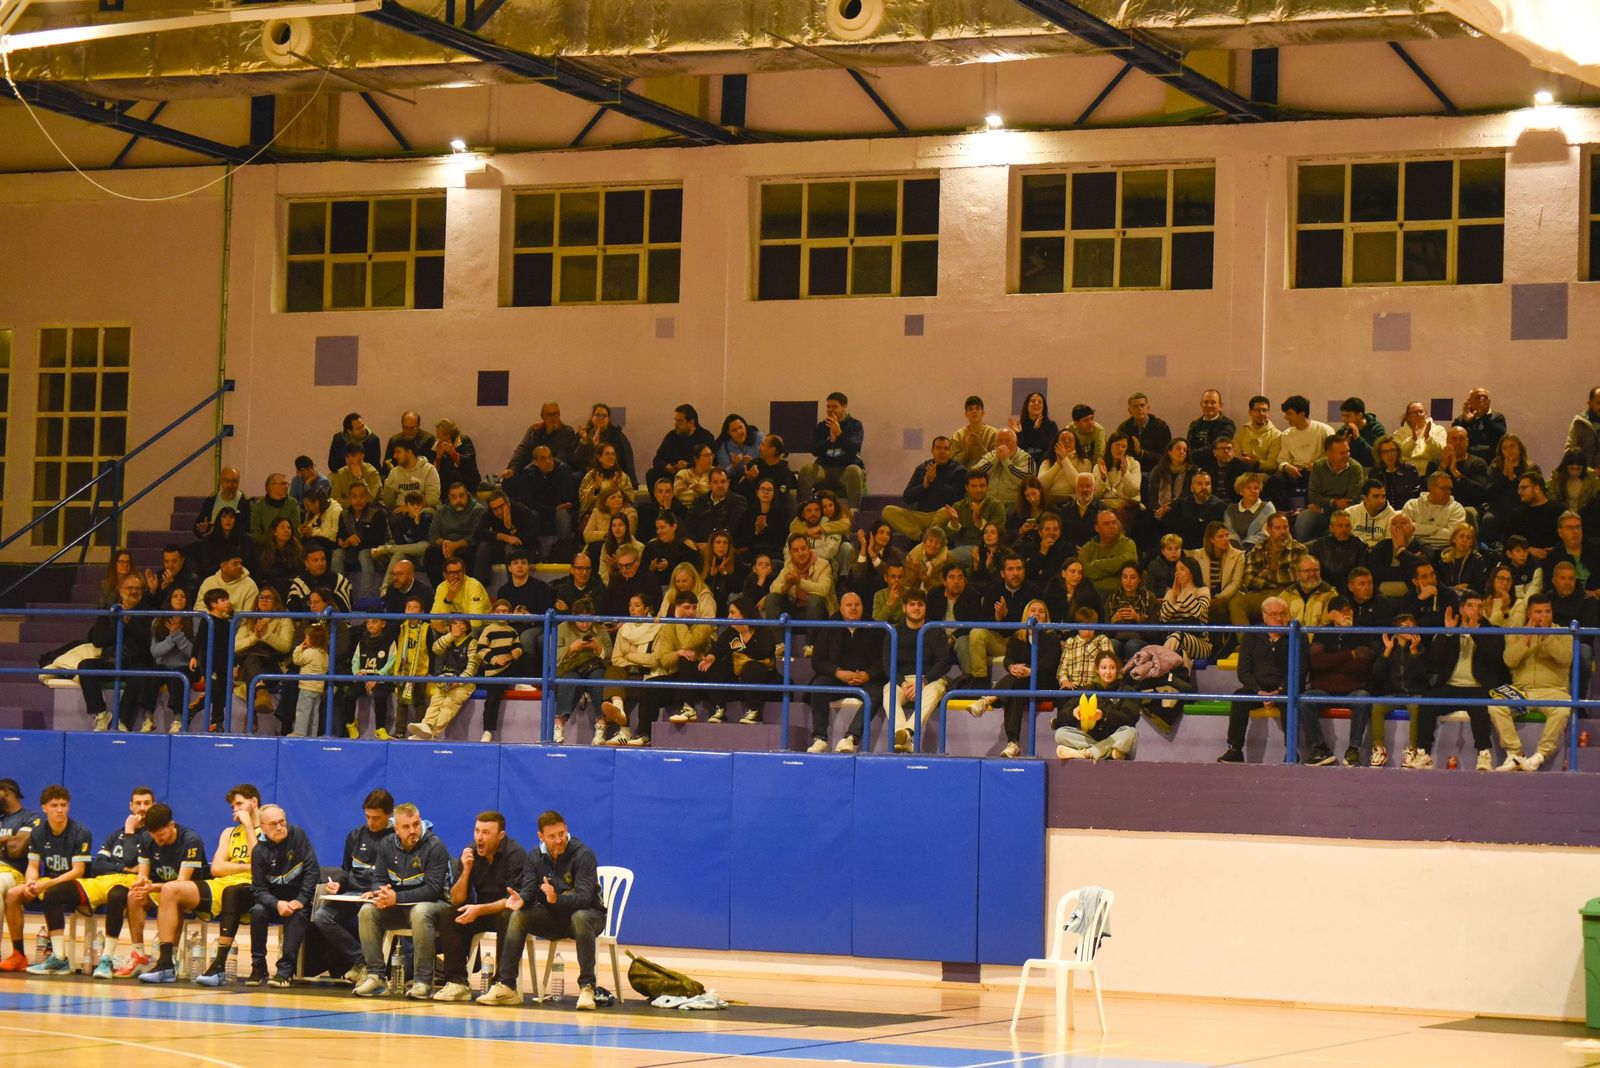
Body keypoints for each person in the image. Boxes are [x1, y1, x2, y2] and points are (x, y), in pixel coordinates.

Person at [484, 811, 606, 1010]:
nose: (558, 840)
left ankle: (587, 987)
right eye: (552, 836)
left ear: (566, 828)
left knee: (580, 917)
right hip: (555, 918)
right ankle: (507, 986)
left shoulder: (584, 855)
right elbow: (530, 889)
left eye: (561, 833)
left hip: (590, 916)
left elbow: (584, 898)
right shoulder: (534, 857)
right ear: (541, 837)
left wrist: (556, 899)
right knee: (516, 916)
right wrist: (521, 899)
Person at [141, 784, 259, 986]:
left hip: (248, 888)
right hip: (220, 884)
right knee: (170, 889)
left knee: (232, 892)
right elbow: (216, 869)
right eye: (233, 807)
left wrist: (249, 826)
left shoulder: (267, 830)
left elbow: (259, 866)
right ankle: (166, 963)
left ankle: (219, 967)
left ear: (254, 802)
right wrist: (244, 866)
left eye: (239, 804)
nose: (235, 810)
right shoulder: (229, 833)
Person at [345, 802, 452, 998]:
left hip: (437, 908)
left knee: (420, 912)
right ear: (396, 829)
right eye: (406, 826)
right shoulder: (386, 844)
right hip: (400, 907)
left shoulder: (435, 846)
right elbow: (378, 879)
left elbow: (433, 890)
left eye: (416, 824)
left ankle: (423, 981)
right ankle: (376, 977)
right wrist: (380, 892)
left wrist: (396, 898)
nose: (413, 830)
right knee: (367, 911)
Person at [430, 812, 528, 1002]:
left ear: (501, 836)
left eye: (486, 833)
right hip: (483, 911)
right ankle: (457, 982)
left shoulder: (516, 854)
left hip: (509, 911)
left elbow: (512, 901)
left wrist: (479, 910)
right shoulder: (471, 852)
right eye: (477, 831)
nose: (479, 837)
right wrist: (466, 870)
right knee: (449, 914)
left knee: (508, 916)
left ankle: (504, 985)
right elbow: (456, 899)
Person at [308, 788, 394, 985]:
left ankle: (370, 967)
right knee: (322, 916)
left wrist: (376, 892)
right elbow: (347, 870)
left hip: (377, 896)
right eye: (367, 817)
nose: (371, 823)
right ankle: (361, 960)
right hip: (353, 894)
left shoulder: (395, 838)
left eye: (376, 818)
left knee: (367, 912)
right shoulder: (355, 835)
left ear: (389, 815)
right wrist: (339, 883)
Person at [116, 802, 210, 980]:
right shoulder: (146, 839)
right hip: (161, 889)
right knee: (133, 896)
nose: (157, 839)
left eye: (161, 834)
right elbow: (143, 875)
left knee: (172, 895)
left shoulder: (191, 840)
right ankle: (139, 955)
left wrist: (152, 887)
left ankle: (170, 959)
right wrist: (142, 885)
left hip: (191, 892)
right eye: (153, 835)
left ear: (171, 825)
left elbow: (181, 883)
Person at [3, 785, 89, 975]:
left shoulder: (80, 832)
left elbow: (78, 871)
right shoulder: (38, 832)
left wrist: (46, 883)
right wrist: (31, 882)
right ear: (44, 808)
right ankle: (18, 953)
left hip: (73, 884)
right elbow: (33, 866)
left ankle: (59, 958)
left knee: (52, 893)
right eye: (54, 805)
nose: (60, 810)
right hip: (47, 881)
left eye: (64, 805)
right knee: (13, 893)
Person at [1416, 594, 1502, 773]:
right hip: (1451, 687)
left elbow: (1494, 655)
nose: (1475, 610)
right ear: (1462, 609)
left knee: (1480, 708)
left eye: (1479, 606)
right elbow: (1434, 661)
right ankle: (1423, 752)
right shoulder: (1450, 631)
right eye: (1471, 605)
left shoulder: (1493, 630)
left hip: (1478, 687)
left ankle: (1484, 754)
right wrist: (1448, 633)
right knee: (1427, 702)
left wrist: (1476, 633)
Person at [1489, 595, 1574, 772]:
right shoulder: (1517, 632)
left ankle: (1541, 754)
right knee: (1495, 705)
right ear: (1529, 613)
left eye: (1547, 611)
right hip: (1522, 691)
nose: (1543, 616)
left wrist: (1547, 637)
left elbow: (1565, 658)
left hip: (1553, 690)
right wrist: (1526, 639)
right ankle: (1515, 753)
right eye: (1538, 612)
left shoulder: (1564, 632)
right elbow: (1510, 661)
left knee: (1563, 708)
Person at [1218, 597, 1307, 764]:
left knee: (1291, 701)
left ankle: (1292, 753)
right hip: (1257, 689)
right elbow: (1243, 671)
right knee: (1239, 698)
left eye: (1283, 614)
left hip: (1286, 688)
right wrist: (1258, 690)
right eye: (1274, 614)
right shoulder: (1252, 636)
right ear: (1264, 616)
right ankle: (1234, 750)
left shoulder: (1297, 636)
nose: (1279, 619)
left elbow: (1300, 670)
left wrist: (1279, 691)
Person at [79, 785, 154, 978]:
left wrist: (130, 831)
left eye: (147, 803)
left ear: (153, 806)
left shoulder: (152, 835)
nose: (142, 808)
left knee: (117, 893)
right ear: (131, 806)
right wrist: (124, 867)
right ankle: (56, 955)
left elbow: (130, 860)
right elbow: (98, 865)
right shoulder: (115, 835)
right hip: (108, 880)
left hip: (135, 884)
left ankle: (107, 957)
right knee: (60, 892)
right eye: (138, 803)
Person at [247, 804, 319, 987]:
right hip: (274, 903)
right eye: (273, 824)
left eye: (282, 822)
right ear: (262, 827)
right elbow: (258, 889)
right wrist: (276, 903)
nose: (280, 827)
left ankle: (285, 972)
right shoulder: (258, 851)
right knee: (257, 911)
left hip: (298, 901)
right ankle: (258, 966)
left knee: (298, 915)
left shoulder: (298, 835)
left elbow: (313, 871)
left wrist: (301, 900)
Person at [76, 574, 156, 732]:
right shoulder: (109, 611)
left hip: (135, 662)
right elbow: (97, 640)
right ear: (120, 590)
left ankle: (122, 721)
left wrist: (130, 622)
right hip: (110, 661)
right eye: (129, 588)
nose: (133, 591)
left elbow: (149, 641)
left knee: (140, 674)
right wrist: (120, 625)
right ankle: (101, 713)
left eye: (138, 588)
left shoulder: (150, 612)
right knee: (85, 666)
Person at [807, 592, 883, 754]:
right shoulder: (829, 627)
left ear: (863, 607)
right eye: (849, 605)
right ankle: (820, 738)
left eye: (857, 604)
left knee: (877, 693)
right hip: (838, 678)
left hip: (866, 679)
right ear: (841, 609)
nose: (854, 608)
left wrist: (868, 675)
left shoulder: (875, 628)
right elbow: (818, 661)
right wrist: (838, 672)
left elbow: (883, 660)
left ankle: (851, 738)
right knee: (819, 685)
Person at [1303, 598, 1374, 768]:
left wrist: (1331, 662)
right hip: (1324, 690)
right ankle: (1319, 748)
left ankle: (1353, 750)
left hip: (1352, 689)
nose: (1348, 614)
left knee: (1363, 698)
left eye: (1350, 610)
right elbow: (1317, 662)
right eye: (1343, 611)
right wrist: (1350, 654)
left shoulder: (1361, 632)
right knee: (1306, 700)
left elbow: (1363, 664)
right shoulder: (1322, 633)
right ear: (1332, 614)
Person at [882, 590, 949, 754]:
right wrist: (902, 683)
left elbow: (943, 662)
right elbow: (887, 663)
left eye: (920, 604)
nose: (916, 608)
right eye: (912, 604)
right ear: (904, 608)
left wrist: (923, 682)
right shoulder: (894, 632)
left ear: (925, 608)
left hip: (930, 679)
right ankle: (902, 734)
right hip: (902, 681)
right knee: (889, 693)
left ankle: (907, 733)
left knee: (935, 691)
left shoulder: (935, 630)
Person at [1054, 652, 1139, 762]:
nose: (1108, 672)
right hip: (1098, 741)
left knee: (1130, 733)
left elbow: (1130, 718)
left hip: (1116, 738)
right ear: (1097, 669)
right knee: (1060, 733)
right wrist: (1073, 712)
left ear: (1117, 669)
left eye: (1112, 668)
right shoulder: (1087, 689)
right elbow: (1062, 715)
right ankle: (1108, 753)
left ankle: (1087, 753)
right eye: (1104, 668)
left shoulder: (1127, 690)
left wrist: (1104, 715)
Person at [406, 617, 479, 740]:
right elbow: (436, 649)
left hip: (465, 683)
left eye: (460, 623)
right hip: (445, 680)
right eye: (454, 623)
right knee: (435, 702)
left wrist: (459, 682)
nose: (457, 625)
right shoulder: (448, 640)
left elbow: (472, 668)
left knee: (448, 704)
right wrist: (451, 635)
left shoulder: (472, 643)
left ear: (466, 626)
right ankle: (426, 726)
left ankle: (431, 734)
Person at [882, 436, 966, 540]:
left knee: (946, 512)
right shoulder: (923, 468)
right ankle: (921, 537)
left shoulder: (958, 470)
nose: (942, 451)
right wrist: (925, 485)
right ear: (932, 450)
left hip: (940, 517)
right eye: (938, 448)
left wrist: (935, 481)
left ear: (950, 451)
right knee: (888, 511)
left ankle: (928, 538)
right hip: (920, 516)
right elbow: (907, 498)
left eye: (946, 448)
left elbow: (957, 498)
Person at [553, 598, 611, 746]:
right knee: (569, 681)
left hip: (594, 668)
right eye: (580, 620)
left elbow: (611, 658)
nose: (585, 624)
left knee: (599, 679)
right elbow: (552, 656)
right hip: (570, 668)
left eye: (588, 620)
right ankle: (559, 723)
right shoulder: (562, 628)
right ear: (573, 616)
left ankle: (601, 724)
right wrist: (572, 648)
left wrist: (598, 648)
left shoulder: (601, 631)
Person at [799, 392, 866, 510]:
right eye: (828, 406)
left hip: (846, 469)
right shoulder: (821, 426)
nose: (830, 410)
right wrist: (830, 441)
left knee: (854, 470)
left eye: (834, 407)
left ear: (844, 406)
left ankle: (854, 511)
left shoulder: (855, 425)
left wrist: (839, 434)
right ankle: (804, 509)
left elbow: (853, 450)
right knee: (807, 469)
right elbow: (814, 450)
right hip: (825, 468)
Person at [1296, 434, 1363, 541]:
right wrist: (1335, 502)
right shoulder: (1318, 466)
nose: (1347, 455)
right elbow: (1313, 496)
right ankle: (1301, 553)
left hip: (1344, 513)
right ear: (1329, 453)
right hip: (1322, 511)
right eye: (1342, 453)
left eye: (1348, 451)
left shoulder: (1355, 468)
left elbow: (1351, 501)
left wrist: (1323, 509)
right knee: (1303, 520)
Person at [424, 482, 487, 585]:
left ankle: (468, 590)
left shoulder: (478, 510)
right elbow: (432, 534)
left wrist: (455, 545)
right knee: (431, 552)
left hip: (467, 547)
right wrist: (445, 543)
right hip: (446, 548)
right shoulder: (441, 511)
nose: (458, 500)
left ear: (467, 494)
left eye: (461, 496)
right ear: (449, 497)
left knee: (475, 550)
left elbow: (477, 535)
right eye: (454, 497)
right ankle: (439, 589)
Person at [1275, 395, 1333, 505]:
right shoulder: (1286, 434)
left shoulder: (1324, 430)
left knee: (1312, 480)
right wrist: (1286, 466)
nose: (1285, 417)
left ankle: (1309, 511)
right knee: (1276, 480)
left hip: (1315, 470)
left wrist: (1317, 465)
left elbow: (1332, 455)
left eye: (1289, 413)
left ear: (1301, 414)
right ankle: (1283, 512)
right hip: (1295, 470)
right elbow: (1282, 459)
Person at [336, 482, 388, 600]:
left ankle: (367, 597)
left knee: (364, 553)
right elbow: (340, 535)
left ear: (367, 497)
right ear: (349, 498)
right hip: (352, 553)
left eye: (361, 496)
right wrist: (343, 541)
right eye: (354, 496)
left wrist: (351, 542)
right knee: (337, 554)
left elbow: (376, 541)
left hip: (375, 554)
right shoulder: (344, 514)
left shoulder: (377, 514)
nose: (358, 500)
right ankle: (338, 595)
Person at [646, 403, 716, 490]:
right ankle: (661, 503)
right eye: (675, 420)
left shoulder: (705, 437)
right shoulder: (672, 436)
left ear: (691, 422)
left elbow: (711, 461)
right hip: (673, 474)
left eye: (680, 421)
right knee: (652, 474)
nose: (676, 424)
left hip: (694, 475)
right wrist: (665, 467)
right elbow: (657, 459)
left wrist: (689, 465)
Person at [1189, 521, 1243, 626]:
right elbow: (1196, 582)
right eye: (1221, 536)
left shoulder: (1238, 555)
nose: (1226, 539)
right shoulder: (1197, 555)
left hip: (1227, 595)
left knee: (1218, 608)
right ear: (1211, 539)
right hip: (1205, 594)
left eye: (1227, 535)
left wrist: (1218, 598)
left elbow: (1235, 583)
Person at [504, 402, 578, 477]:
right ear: (542, 417)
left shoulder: (567, 431)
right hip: (533, 467)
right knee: (510, 480)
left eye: (555, 414)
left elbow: (561, 457)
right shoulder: (535, 430)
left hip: (554, 470)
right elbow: (522, 449)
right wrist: (512, 469)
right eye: (549, 414)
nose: (553, 417)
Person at [1401, 472, 1468, 554]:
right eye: (1444, 488)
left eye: (1449, 488)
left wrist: (1417, 532)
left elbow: (1452, 537)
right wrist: (1435, 528)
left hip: (1444, 553)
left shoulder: (1456, 508)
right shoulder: (1412, 505)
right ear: (1430, 488)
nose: (1448, 492)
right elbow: (1404, 532)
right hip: (1414, 551)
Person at [1305, 510, 1364, 594]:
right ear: (1331, 528)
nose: (1344, 529)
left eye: (1347, 526)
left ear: (1351, 528)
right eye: (1340, 526)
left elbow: (1360, 573)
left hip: (1351, 591)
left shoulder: (1360, 546)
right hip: (1323, 591)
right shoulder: (1319, 546)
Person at [288, 622, 330, 738]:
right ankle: (312, 734)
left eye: (306, 638)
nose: (305, 640)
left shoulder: (309, 652)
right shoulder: (325, 654)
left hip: (307, 686)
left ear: (313, 640)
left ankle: (300, 733)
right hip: (318, 687)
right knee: (314, 712)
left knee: (303, 710)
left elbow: (296, 659)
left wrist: (300, 647)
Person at [1113, 391, 1170, 467]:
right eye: (1135, 406)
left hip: (1154, 470)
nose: (1139, 408)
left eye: (1142, 405)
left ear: (1148, 408)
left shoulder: (1161, 426)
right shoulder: (1124, 428)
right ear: (1129, 411)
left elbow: (1166, 456)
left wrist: (1141, 453)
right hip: (1130, 468)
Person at [381, 440, 442, 511]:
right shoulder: (394, 472)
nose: (394, 456)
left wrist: (410, 508)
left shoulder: (429, 469)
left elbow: (432, 498)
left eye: (398, 452)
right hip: (401, 509)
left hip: (423, 509)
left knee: (427, 514)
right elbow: (389, 501)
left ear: (409, 453)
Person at [193, 466, 251, 540]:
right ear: (221, 481)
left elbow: (248, 530)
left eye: (234, 481)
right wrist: (203, 530)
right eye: (226, 481)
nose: (230, 485)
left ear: (238, 482)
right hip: (212, 542)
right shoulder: (211, 500)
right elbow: (197, 526)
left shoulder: (245, 502)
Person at [1223, 471, 1276, 551]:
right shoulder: (1231, 509)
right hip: (1233, 552)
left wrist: (1246, 549)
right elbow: (1229, 532)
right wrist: (1238, 552)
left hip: (1259, 552)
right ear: (1241, 491)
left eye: (1256, 488)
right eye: (1249, 488)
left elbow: (1265, 534)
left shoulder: (1268, 508)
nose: (1253, 491)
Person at [1452, 387, 1505, 463]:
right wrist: (1466, 422)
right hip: (1467, 462)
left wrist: (1484, 417)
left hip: (1491, 462)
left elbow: (1500, 438)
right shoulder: (1461, 419)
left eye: (1485, 397)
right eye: (1478, 397)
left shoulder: (1497, 417)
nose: (1482, 400)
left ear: (1489, 401)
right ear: (1469, 401)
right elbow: (1454, 440)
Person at [1235, 396, 1282, 475]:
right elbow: (1236, 455)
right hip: (1242, 472)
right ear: (1250, 412)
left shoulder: (1276, 435)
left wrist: (1257, 463)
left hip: (1263, 475)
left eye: (1264, 410)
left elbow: (1273, 464)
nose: (1261, 414)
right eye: (1257, 410)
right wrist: (1243, 460)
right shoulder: (1242, 431)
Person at [250, 473, 302, 545]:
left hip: (288, 544)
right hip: (265, 545)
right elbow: (255, 533)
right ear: (271, 487)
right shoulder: (259, 505)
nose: (287, 487)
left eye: (287, 484)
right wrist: (273, 542)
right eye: (283, 484)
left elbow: (294, 529)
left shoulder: (292, 503)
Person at [432, 418, 481, 494]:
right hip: (447, 486)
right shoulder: (437, 445)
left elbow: (470, 463)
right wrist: (438, 457)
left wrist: (452, 452)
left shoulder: (464, 440)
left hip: (467, 483)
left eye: (441, 434)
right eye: (437, 433)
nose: (438, 437)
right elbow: (434, 470)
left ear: (450, 435)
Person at [1344, 479, 1396, 547]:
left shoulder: (1393, 516)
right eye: (1376, 496)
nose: (1381, 500)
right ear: (1364, 498)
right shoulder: (1350, 513)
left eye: (1383, 496)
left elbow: (1389, 546)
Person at [1016, 391, 1062, 467]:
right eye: (1033, 401)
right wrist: (1019, 433)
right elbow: (1019, 450)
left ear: (1044, 407)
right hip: (1023, 464)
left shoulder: (1051, 425)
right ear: (1026, 405)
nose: (1036, 403)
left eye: (1040, 402)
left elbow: (1050, 447)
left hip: (1044, 465)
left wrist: (1038, 430)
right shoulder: (1020, 425)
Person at [951, 395, 998, 469]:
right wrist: (967, 449)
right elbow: (953, 463)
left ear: (983, 413)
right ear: (966, 414)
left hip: (987, 476)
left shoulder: (993, 433)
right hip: (964, 476)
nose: (974, 411)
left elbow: (996, 460)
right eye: (970, 409)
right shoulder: (958, 435)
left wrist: (980, 445)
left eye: (977, 408)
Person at [1185, 389, 1235, 456]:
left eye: (1213, 402)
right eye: (1206, 402)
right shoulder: (1195, 424)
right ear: (1201, 405)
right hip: (1195, 464)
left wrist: (1192, 454)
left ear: (1220, 406)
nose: (1209, 405)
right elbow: (1188, 446)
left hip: (1216, 464)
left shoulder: (1227, 424)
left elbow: (1219, 447)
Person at [711, 413, 760, 482]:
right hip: (734, 484)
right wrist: (733, 466)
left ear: (745, 426)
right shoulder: (723, 447)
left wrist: (753, 463)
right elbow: (723, 476)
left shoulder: (757, 438)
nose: (739, 432)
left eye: (740, 427)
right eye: (734, 430)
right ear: (728, 433)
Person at [332, 442, 382, 508]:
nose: (349, 459)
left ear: (362, 456)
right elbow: (335, 498)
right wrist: (354, 505)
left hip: (371, 509)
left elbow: (370, 500)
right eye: (347, 457)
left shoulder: (372, 473)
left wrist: (359, 477)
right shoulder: (341, 473)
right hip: (347, 509)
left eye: (353, 455)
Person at [1565, 386, 1600, 469]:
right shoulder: (1579, 422)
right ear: (1589, 403)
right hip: (1582, 475)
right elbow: (1570, 451)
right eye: (1599, 403)